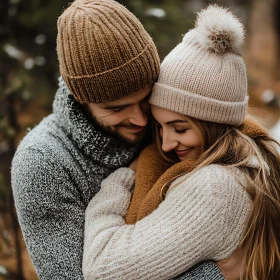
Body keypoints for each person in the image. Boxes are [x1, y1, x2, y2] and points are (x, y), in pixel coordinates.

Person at [11, 0, 229, 279]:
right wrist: (219, 273)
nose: (140, 120)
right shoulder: (44, 164)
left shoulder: (168, 113)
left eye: (145, 99)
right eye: (116, 108)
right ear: (82, 100)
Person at [82, 4, 280, 280]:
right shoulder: (252, 162)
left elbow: (102, 270)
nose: (165, 145)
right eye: (161, 128)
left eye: (180, 128)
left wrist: (121, 180)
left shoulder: (214, 187)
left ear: (214, 123)